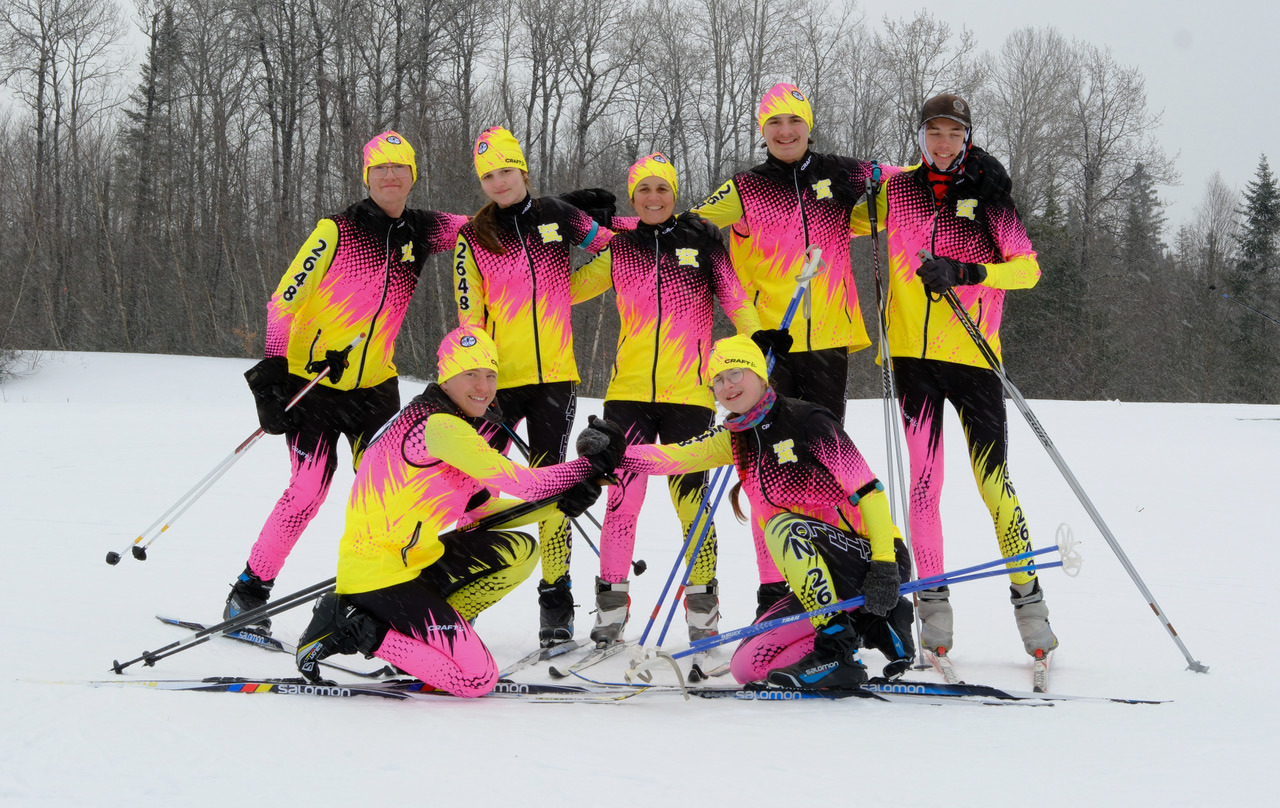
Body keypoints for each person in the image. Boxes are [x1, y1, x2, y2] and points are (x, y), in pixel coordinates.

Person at [292, 326, 626, 696]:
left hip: (412, 562)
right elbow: (525, 483)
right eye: (470, 374)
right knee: (475, 681)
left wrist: (558, 504)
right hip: (379, 576)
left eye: (490, 375)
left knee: (520, 551)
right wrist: (589, 466)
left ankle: (428, 642)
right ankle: (353, 626)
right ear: (446, 377)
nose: (483, 387)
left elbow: (483, 511)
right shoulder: (437, 426)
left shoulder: (452, 426)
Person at [229, 131, 470, 630]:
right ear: (367, 176)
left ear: (412, 177)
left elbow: (489, 227)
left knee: (393, 492)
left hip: (374, 390)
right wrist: (272, 378)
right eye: (380, 168)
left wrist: (567, 214)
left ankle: (385, 593)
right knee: (308, 490)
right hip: (312, 386)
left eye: (399, 168)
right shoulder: (334, 231)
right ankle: (248, 594)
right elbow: (282, 302)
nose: (389, 176)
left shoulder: (422, 231)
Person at [860, 93, 1056, 670]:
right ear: (920, 137)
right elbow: (830, 209)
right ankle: (935, 621)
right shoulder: (895, 190)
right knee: (923, 489)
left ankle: (1032, 611)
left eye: (952, 133)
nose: (942, 143)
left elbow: (1028, 270)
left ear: (966, 138)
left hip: (973, 357)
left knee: (995, 487)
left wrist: (967, 272)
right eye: (932, 133)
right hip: (914, 363)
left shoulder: (988, 196)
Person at [689, 83, 897, 617]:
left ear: (809, 124)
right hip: (770, 350)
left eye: (793, 121)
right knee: (763, 467)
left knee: (823, 461)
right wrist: (754, 327)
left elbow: (911, 182)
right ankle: (773, 589)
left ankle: (835, 570)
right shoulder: (744, 188)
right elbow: (684, 224)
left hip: (828, 340)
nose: (785, 131)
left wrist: (971, 174)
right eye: (773, 123)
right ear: (762, 131)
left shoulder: (842, 173)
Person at [569, 153, 790, 646]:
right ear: (633, 197)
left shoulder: (701, 241)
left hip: (689, 394)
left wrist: (759, 338)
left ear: (674, 193)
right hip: (626, 395)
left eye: (661, 189)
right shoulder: (621, 249)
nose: (653, 198)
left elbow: (733, 297)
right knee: (623, 502)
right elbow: (568, 289)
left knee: (692, 509)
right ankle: (609, 610)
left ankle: (702, 611)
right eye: (643, 190)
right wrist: (554, 240)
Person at [620, 335, 915, 687]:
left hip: (870, 560)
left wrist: (884, 565)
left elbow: (871, 492)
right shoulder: (736, 437)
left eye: (735, 373)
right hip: (824, 581)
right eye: (717, 379)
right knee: (749, 667)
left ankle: (836, 647)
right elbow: (672, 457)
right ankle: (866, 626)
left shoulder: (808, 420)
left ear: (760, 374)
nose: (726, 385)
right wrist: (612, 452)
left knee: (779, 527)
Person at [453, 126, 615, 646]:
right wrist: (479, 381)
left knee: (553, 485)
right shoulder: (473, 236)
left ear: (522, 169)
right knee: (473, 486)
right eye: (489, 176)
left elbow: (618, 256)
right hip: (495, 382)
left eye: (505, 170)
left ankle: (556, 599)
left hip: (555, 379)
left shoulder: (557, 216)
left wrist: (567, 290)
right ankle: (465, 590)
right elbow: (468, 318)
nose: (499, 182)